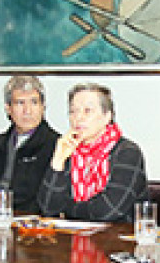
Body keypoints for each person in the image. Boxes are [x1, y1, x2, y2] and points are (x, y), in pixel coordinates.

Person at [38, 83, 148, 222]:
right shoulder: (69, 150)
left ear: (107, 116)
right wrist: (58, 161)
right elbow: (47, 208)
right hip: (71, 234)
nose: (78, 117)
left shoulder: (128, 153)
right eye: (73, 111)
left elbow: (107, 211)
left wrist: (67, 210)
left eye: (87, 111)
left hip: (118, 234)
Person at [0, 75, 58, 213]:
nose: (27, 111)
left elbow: (49, 201)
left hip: (29, 220)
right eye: (20, 103)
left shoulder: (56, 146)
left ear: (43, 107)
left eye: (34, 102)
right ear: (8, 108)